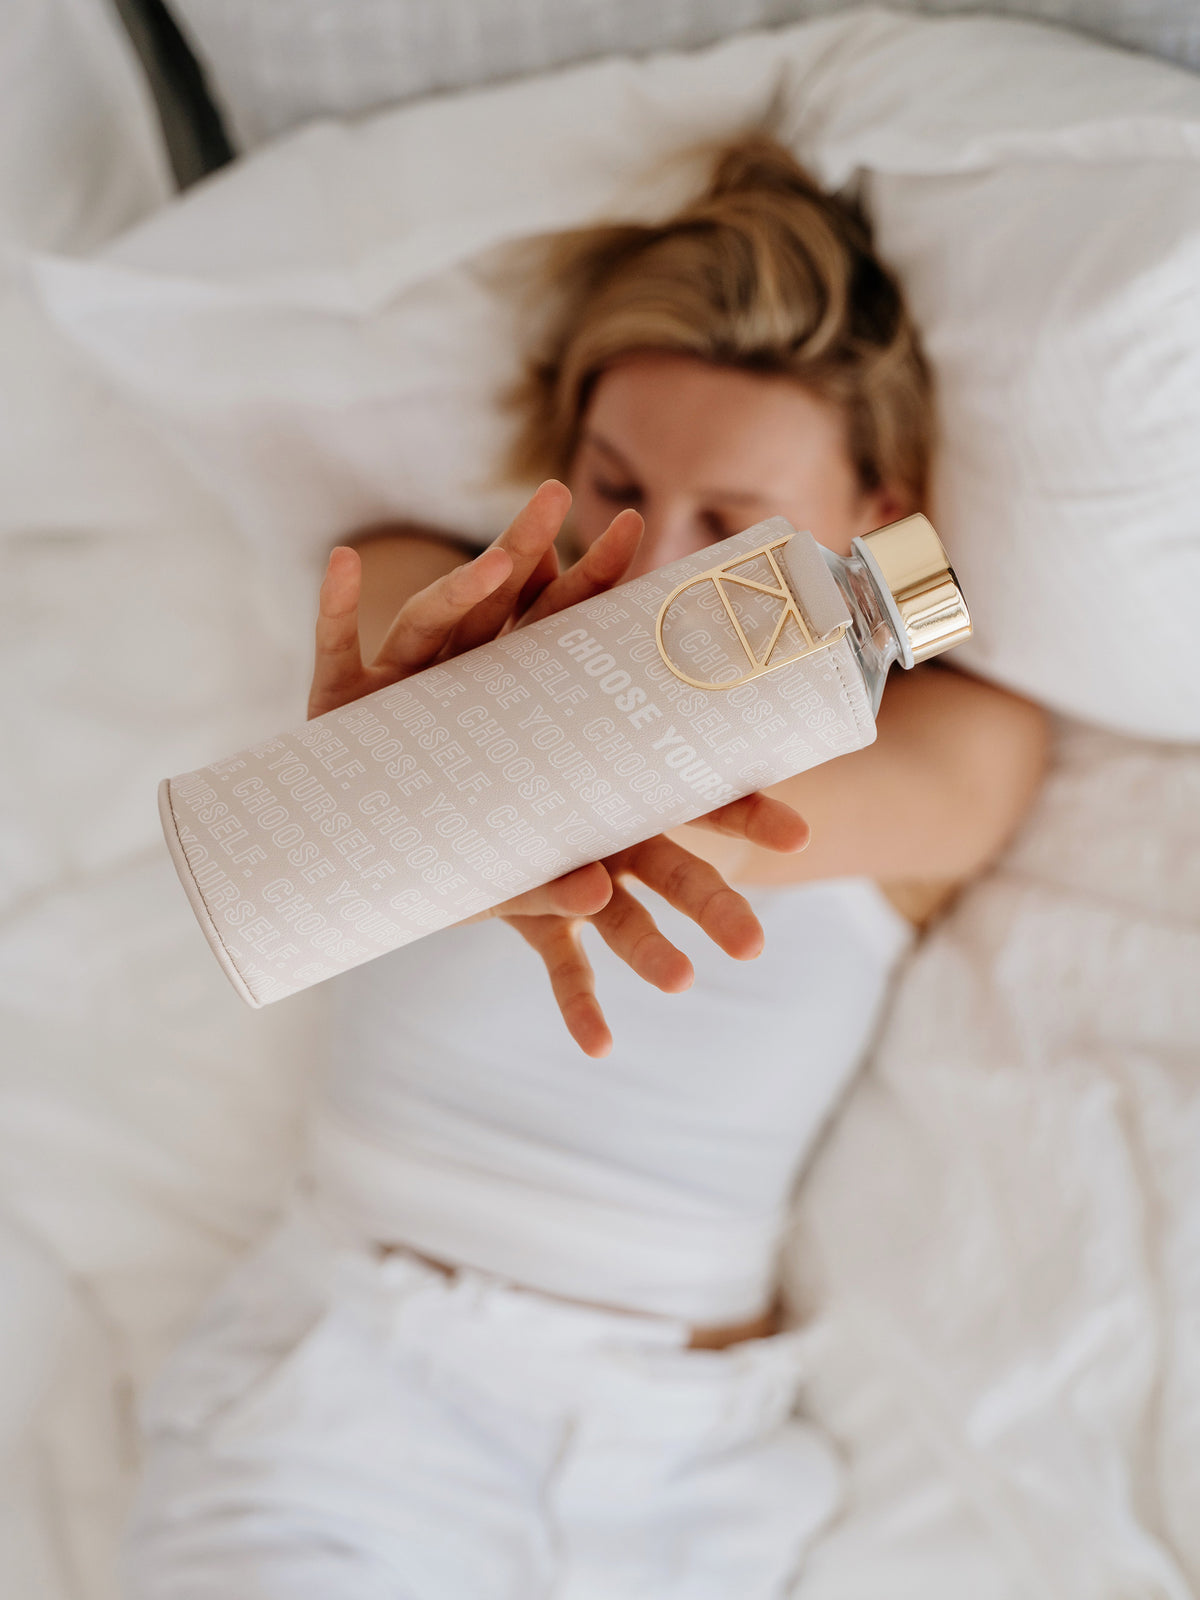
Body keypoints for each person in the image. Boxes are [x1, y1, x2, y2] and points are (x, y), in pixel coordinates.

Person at [126, 137, 1047, 1598]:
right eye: (616, 483)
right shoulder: (421, 599)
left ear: (879, 519)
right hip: (352, 1398)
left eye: (730, 527)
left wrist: (537, 785)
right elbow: (482, 709)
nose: (661, 561)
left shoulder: (965, 745)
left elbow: (723, 781)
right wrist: (443, 762)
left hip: (679, 1462)